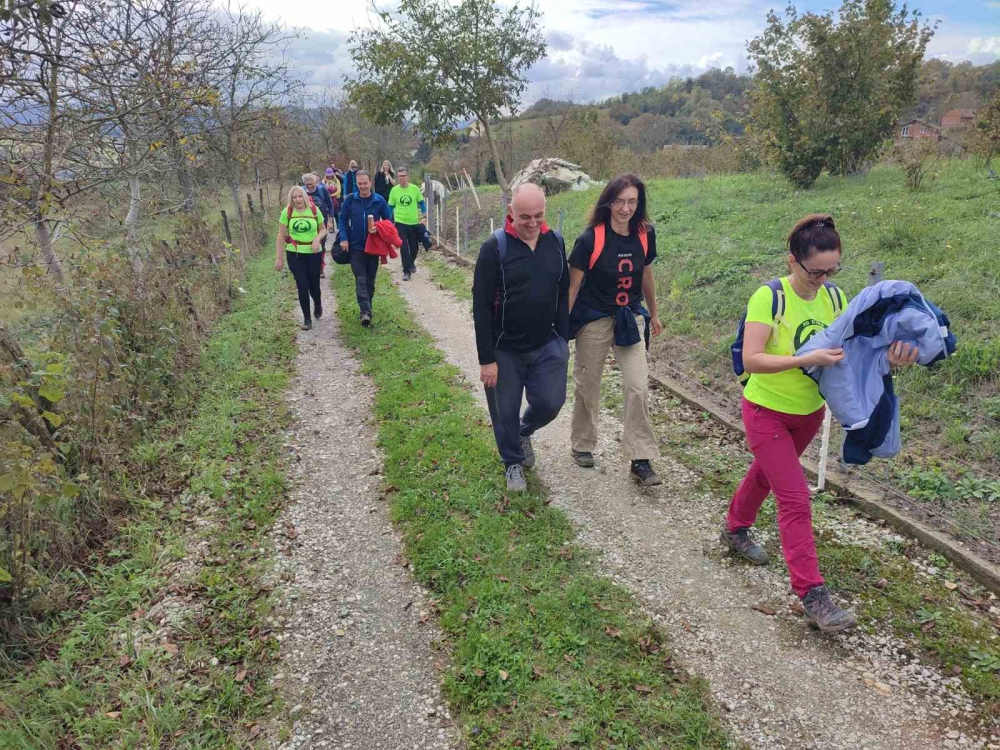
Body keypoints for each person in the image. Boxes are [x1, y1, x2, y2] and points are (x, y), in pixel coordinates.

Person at [722, 214, 919, 632]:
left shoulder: (834, 298)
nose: (824, 279)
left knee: (766, 474)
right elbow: (754, 359)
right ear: (793, 261)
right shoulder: (769, 297)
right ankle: (814, 596)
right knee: (794, 497)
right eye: (816, 271)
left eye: (833, 270)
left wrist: (890, 361)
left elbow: (852, 357)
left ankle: (735, 528)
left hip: (809, 414)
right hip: (765, 410)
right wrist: (804, 358)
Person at [472, 183, 570, 493]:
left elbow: (563, 290)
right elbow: (480, 308)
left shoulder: (555, 242)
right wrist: (487, 360)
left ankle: (524, 433)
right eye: (524, 217)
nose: (532, 223)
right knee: (505, 410)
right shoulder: (494, 249)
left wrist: (563, 340)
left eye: (538, 216)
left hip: (546, 343)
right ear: (510, 214)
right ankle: (512, 462)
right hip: (505, 348)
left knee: (551, 402)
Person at [567, 174, 663, 487]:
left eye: (632, 201)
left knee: (637, 386)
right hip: (595, 318)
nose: (625, 208)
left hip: (630, 317)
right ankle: (582, 443)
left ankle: (640, 458)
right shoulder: (590, 240)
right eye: (620, 201)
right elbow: (572, 287)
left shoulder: (645, 235)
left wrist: (655, 314)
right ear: (609, 201)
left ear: (639, 203)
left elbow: (646, 277)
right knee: (588, 384)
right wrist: (560, 326)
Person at [338, 170, 393, 327]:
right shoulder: (350, 200)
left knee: (370, 280)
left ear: (371, 183)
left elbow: (389, 221)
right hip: (355, 247)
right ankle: (365, 312)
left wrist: (379, 228)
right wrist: (343, 238)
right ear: (357, 183)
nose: (362, 186)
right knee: (360, 279)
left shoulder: (379, 200)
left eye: (365, 183)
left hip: (373, 246)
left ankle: (367, 308)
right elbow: (342, 220)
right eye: (360, 183)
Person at [276, 186, 327, 331]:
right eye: (294, 197)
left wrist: (317, 239)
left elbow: (323, 229)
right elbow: (280, 236)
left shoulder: (314, 210)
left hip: (314, 253)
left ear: (304, 197)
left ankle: (317, 303)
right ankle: (307, 318)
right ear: (291, 199)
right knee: (302, 285)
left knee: (314, 285)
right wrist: (279, 258)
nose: (297, 199)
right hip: (295, 253)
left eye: (300, 196)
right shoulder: (287, 212)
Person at [388, 166, 426, 280]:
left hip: (414, 222)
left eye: (403, 176)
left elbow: (422, 203)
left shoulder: (414, 189)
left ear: (408, 176)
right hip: (400, 223)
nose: (401, 178)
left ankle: (410, 263)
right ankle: (406, 271)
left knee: (414, 248)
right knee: (403, 247)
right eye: (399, 176)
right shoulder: (394, 190)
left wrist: (425, 217)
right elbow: (390, 207)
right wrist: (388, 220)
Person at [302, 172, 335, 278]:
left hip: (321, 223)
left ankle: (320, 268)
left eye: (311, 184)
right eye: (307, 185)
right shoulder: (301, 192)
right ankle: (308, 267)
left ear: (316, 182)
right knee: (307, 244)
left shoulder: (322, 190)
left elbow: (330, 205)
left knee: (321, 245)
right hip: (306, 223)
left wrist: (330, 221)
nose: (310, 186)